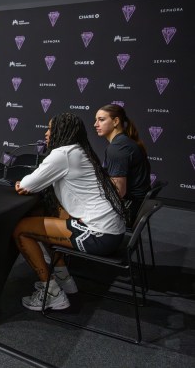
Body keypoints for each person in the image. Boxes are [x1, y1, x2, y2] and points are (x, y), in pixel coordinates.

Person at [12, 113, 126, 312]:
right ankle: (65, 280)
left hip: (100, 235)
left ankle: (53, 294)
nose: (46, 134)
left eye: (50, 129)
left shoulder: (62, 154)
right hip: (112, 232)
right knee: (49, 219)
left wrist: (22, 184)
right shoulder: (80, 150)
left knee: (21, 229)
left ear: (60, 132)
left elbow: (27, 185)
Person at [94, 104, 151, 226]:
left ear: (115, 121)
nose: (96, 124)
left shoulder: (118, 148)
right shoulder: (124, 142)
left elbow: (118, 191)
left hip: (128, 210)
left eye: (101, 120)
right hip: (135, 206)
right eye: (96, 120)